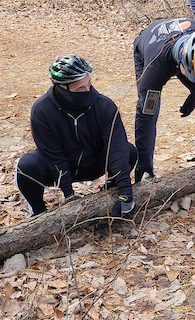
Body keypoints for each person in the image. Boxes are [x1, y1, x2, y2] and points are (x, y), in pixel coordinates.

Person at [16, 55, 137, 217]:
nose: (87, 91)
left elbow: (117, 150)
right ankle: (38, 213)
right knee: (26, 166)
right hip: (59, 169)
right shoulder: (42, 110)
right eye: (80, 89)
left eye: (89, 84)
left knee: (129, 151)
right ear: (63, 88)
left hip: (94, 163)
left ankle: (110, 191)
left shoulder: (105, 106)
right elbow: (53, 155)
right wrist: (69, 195)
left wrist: (126, 194)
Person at [133, 18, 195, 181]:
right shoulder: (154, 68)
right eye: (191, 75)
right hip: (151, 49)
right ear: (180, 63)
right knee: (149, 110)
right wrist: (142, 163)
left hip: (186, 52)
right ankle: (146, 167)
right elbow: (144, 116)